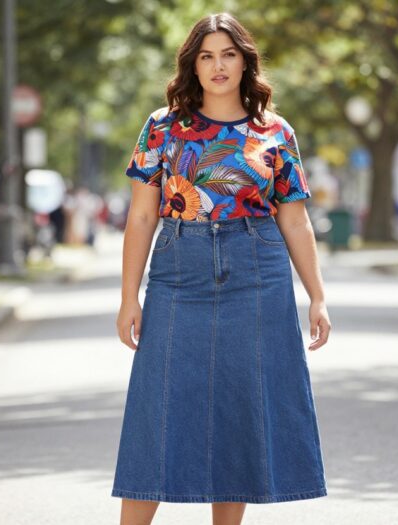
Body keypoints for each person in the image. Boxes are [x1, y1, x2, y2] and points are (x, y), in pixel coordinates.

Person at [113, 12, 332, 525]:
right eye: (207, 56)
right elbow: (142, 216)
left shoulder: (274, 131)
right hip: (177, 274)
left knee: (239, 413)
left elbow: (295, 222)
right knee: (159, 410)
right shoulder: (162, 127)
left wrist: (317, 295)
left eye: (228, 54)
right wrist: (129, 297)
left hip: (257, 271)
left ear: (244, 62)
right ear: (193, 64)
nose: (218, 66)